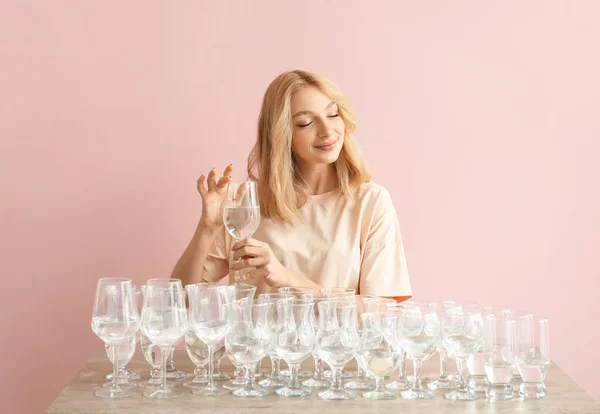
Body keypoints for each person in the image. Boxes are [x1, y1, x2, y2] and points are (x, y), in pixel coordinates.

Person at [171, 70, 411, 301]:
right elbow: (183, 300)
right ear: (281, 134)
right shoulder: (243, 204)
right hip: (253, 344)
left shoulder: (370, 202)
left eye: (333, 114)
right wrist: (207, 229)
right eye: (306, 123)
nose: (327, 131)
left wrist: (288, 278)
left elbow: (380, 313)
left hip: (337, 345)